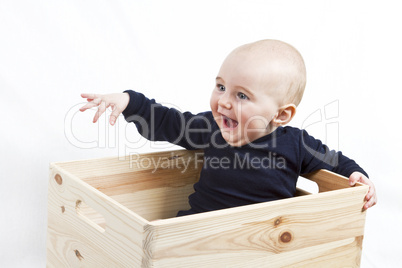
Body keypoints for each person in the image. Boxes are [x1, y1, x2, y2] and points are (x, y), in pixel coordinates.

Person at [80, 39, 377, 216]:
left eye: (242, 95)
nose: (223, 102)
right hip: (197, 232)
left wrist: (357, 176)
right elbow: (169, 123)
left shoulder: (296, 144)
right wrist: (131, 102)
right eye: (221, 86)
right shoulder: (211, 127)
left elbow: (335, 161)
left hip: (262, 239)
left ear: (282, 115)